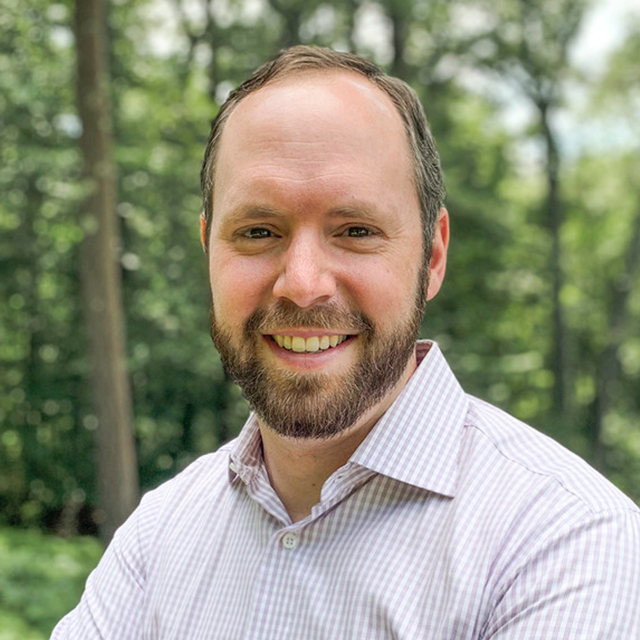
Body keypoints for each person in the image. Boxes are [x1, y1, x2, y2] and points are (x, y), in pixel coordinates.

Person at [52, 45, 640, 640]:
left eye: (356, 231)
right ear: (209, 249)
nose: (304, 285)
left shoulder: (568, 542)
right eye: (258, 231)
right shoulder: (159, 535)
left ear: (432, 256)